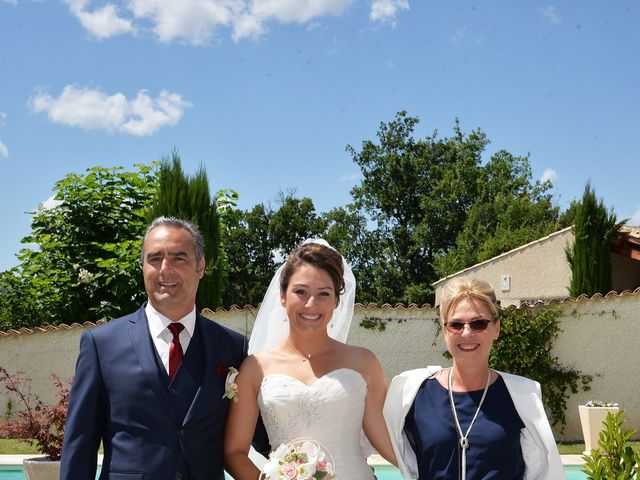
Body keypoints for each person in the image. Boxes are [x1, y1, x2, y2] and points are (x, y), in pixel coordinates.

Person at [60, 217, 267, 480]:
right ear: (143, 266)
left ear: (200, 266)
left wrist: (299, 464)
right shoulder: (101, 345)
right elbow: (80, 443)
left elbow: (258, 432)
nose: (165, 269)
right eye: (154, 258)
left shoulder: (231, 347)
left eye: (179, 258)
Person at [224, 239, 397, 479]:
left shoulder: (364, 363)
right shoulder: (256, 368)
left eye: (323, 293)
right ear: (282, 296)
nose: (311, 304)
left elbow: (385, 438)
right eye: (300, 292)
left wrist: (427, 468)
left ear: (336, 300)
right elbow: (234, 451)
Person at [384, 277, 565, 480]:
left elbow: (541, 471)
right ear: (445, 331)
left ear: (496, 328)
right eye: (456, 324)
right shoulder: (414, 395)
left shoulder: (522, 396)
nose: (467, 332)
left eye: (478, 323)